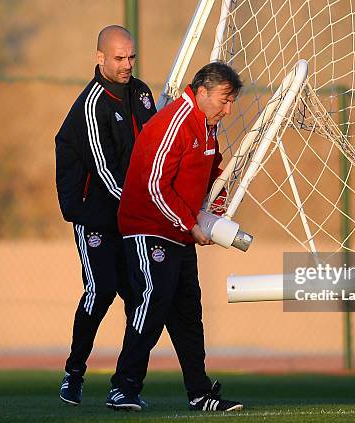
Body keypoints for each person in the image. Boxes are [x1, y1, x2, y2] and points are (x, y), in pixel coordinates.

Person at [109, 62, 243, 412]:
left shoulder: (208, 126)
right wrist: (191, 224)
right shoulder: (174, 122)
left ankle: (199, 393)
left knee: (188, 312)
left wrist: (216, 206)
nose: (228, 110)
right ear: (201, 92)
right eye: (224, 100)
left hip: (179, 232)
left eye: (231, 102)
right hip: (149, 227)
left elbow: (212, 171)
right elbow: (155, 185)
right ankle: (123, 388)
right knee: (152, 304)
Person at [54, 25, 156, 406]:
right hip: (95, 214)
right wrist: (150, 207)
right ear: (100, 58)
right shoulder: (92, 105)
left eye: (131, 57)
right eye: (119, 58)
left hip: (131, 213)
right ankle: (74, 373)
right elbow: (106, 172)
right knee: (100, 292)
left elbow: (154, 149)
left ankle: (125, 385)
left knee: (143, 298)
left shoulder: (141, 93)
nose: (127, 64)